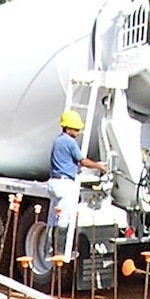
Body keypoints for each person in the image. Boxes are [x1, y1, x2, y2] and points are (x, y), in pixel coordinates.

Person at [47, 108, 106, 261]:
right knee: (65, 218)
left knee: (55, 218)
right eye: (77, 129)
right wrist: (100, 166)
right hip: (65, 184)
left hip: (54, 182)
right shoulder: (70, 142)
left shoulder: (57, 141)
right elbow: (83, 161)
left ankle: (51, 248)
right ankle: (61, 252)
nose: (79, 132)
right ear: (68, 128)